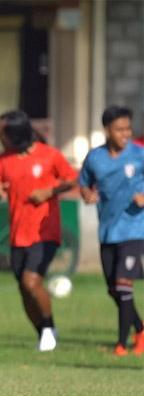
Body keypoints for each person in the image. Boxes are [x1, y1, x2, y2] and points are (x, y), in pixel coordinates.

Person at [0, 110, 76, 352]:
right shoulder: (3, 160)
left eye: (2, 132)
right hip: (18, 234)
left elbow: (71, 179)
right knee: (24, 289)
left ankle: (48, 327)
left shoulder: (49, 155)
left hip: (44, 232)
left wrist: (48, 192)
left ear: (15, 134)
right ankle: (43, 333)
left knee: (31, 280)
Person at [79, 106, 144, 356]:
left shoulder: (139, 154)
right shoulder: (95, 158)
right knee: (114, 289)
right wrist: (88, 195)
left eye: (128, 128)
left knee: (124, 284)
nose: (125, 133)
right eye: (119, 129)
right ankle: (140, 329)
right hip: (108, 231)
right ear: (107, 130)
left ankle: (120, 344)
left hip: (135, 229)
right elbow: (84, 185)